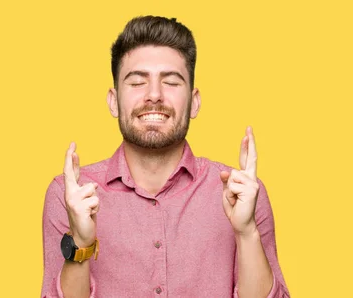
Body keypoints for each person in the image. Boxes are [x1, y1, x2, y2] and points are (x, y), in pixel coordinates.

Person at [41, 16, 289, 298]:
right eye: (137, 83)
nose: (154, 95)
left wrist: (246, 233)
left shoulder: (241, 194)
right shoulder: (69, 196)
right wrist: (82, 242)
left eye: (171, 82)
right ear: (113, 100)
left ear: (194, 102)